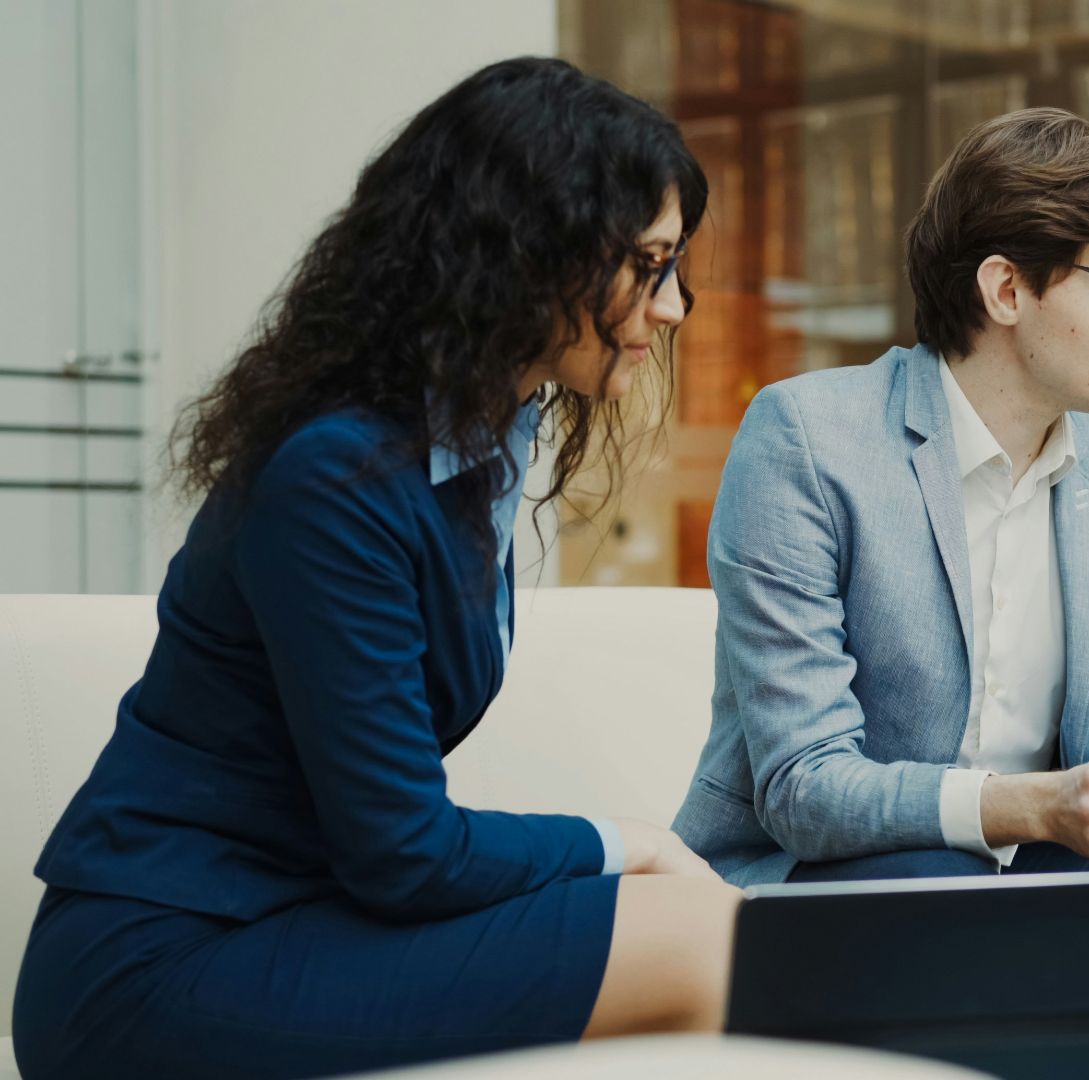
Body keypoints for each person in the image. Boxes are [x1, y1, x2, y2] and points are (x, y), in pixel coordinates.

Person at [11, 57, 738, 1080]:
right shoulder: (336, 476)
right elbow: (405, 851)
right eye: (651, 263)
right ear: (534, 253)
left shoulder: (472, 451)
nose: (672, 309)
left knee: (703, 929)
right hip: (158, 973)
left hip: (307, 924)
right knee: (701, 936)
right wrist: (627, 840)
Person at [671, 107, 1089, 1011]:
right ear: (1006, 290)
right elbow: (806, 787)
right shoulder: (808, 438)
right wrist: (1038, 806)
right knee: (937, 896)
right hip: (841, 873)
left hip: (1045, 871)